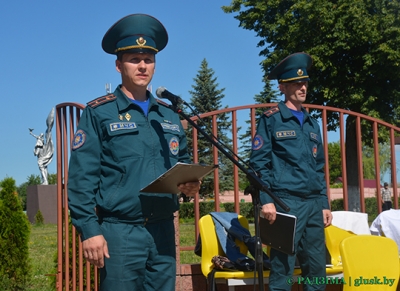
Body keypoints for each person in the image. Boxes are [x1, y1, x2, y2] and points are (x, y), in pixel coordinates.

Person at [67, 14, 200, 291]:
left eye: (148, 59)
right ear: (118, 65)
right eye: (134, 59)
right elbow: (82, 179)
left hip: (163, 230)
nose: (142, 66)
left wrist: (190, 184)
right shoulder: (100, 112)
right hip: (120, 232)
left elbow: (181, 162)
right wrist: (89, 231)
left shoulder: (169, 115)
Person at [249, 52, 332, 291]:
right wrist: (267, 201)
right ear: (282, 87)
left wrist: (325, 203)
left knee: (316, 269)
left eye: (304, 82)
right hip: (285, 203)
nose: (302, 87)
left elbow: (319, 167)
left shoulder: (311, 122)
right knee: (282, 269)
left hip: (314, 204)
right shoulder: (271, 120)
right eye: (296, 83)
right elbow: (258, 164)